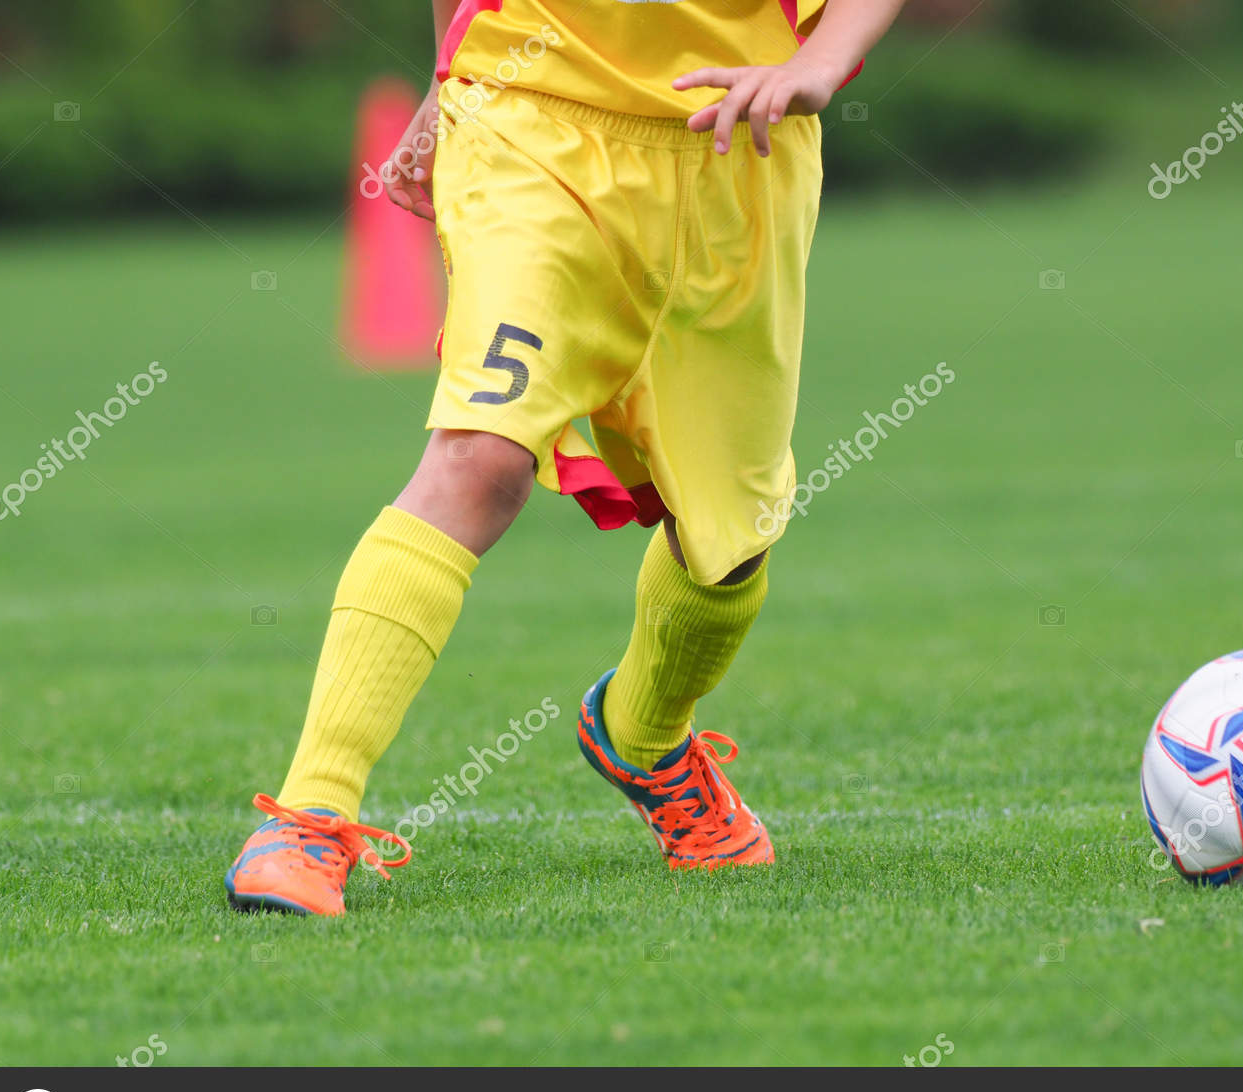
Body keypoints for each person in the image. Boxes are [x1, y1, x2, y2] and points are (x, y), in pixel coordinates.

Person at [225, 0, 909, 915]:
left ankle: (645, 736)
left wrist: (823, 57)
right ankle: (309, 814)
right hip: (534, 117)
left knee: (730, 540)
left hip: (739, 142)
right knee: (481, 458)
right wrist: (446, 78)